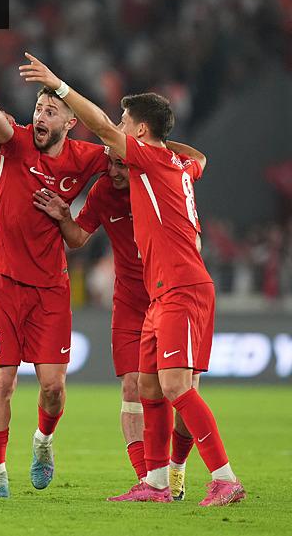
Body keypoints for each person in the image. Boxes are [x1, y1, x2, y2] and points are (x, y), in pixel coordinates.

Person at [20, 53, 245, 506]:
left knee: (179, 387)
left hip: (181, 287)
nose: (117, 129)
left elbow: (102, 128)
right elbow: (197, 158)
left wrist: (59, 87)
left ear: (140, 132)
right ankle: (157, 483)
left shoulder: (154, 162)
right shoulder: (174, 166)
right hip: (159, 293)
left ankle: (224, 478)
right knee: (146, 385)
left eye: (126, 121)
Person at [0, 50, 108, 497]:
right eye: (38, 109)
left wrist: (65, 216)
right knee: (3, 381)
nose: (40, 117)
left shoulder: (84, 158)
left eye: (51, 111)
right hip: (1, 278)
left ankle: (42, 442)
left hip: (51, 286)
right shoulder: (14, 141)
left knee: (53, 387)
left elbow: (116, 142)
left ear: (69, 123)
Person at [33, 155, 201, 500]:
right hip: (130, 303)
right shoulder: (104, 191)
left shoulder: (161, 177)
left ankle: (177, 469)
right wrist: (64, 217)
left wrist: (158, 145)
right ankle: (148, 480)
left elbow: (199, 159)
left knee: (182, 392)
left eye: (122, 164)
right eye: (109, 163)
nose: (113, 171)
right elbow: (78, 238)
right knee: (132, 387)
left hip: (173, 294)